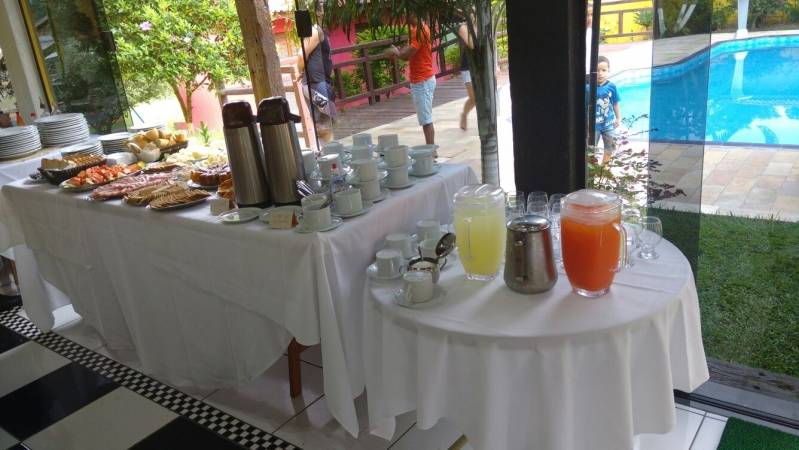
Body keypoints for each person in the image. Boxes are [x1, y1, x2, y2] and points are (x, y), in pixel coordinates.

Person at [383, 16, 436, 145]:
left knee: (426, 120)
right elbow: (410, 50)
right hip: (422, 79)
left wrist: (396, 52)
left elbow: (406, 55)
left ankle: (432, 153)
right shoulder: (419, 28)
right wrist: (399, 52)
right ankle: (431, 152)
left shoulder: (419, 30)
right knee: (425, 119)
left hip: (422, 80)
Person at [297, 3, 337, 145]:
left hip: (319, 84)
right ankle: (330, 157)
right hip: (315, 85)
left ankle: (328, 157)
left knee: (324, 125)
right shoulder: (316, 30)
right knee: (326, 124)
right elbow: (302, 55)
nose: (325, 10)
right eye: (321, 6)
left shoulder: (322, 31)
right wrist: (301, 71)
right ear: (317, 12)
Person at [594, 55, 622, 164]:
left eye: (603, 70)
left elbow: (615, 103)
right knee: (591, 148)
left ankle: (603, 168)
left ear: (608, 70)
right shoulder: (588, 87)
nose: (600, 73)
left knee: (610, 147)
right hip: (593, 125)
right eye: (597, 70)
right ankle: (593, 169)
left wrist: (618, 118)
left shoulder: (612, 86)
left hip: (608, 123)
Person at [457, 22, 475, 131]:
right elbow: (472, 45)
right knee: (474, 98)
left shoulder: (484, 25)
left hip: (481, 66)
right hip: (467, 67)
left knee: (481, 97)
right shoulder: (463, 28)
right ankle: (464, 114)